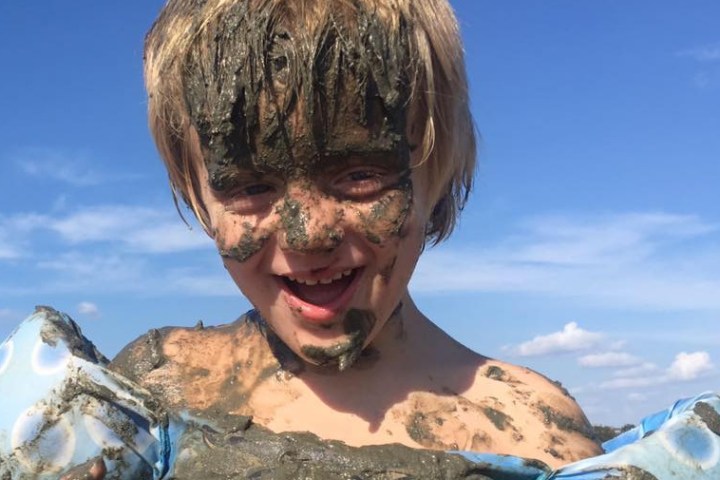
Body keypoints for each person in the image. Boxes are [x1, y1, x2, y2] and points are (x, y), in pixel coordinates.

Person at [107, 0, 602, 470]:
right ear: (197, 196)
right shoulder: (152, 392)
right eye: (251, 186)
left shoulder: (534, 433)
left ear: (440, 171)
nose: (308, 236)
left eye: (360, 175)